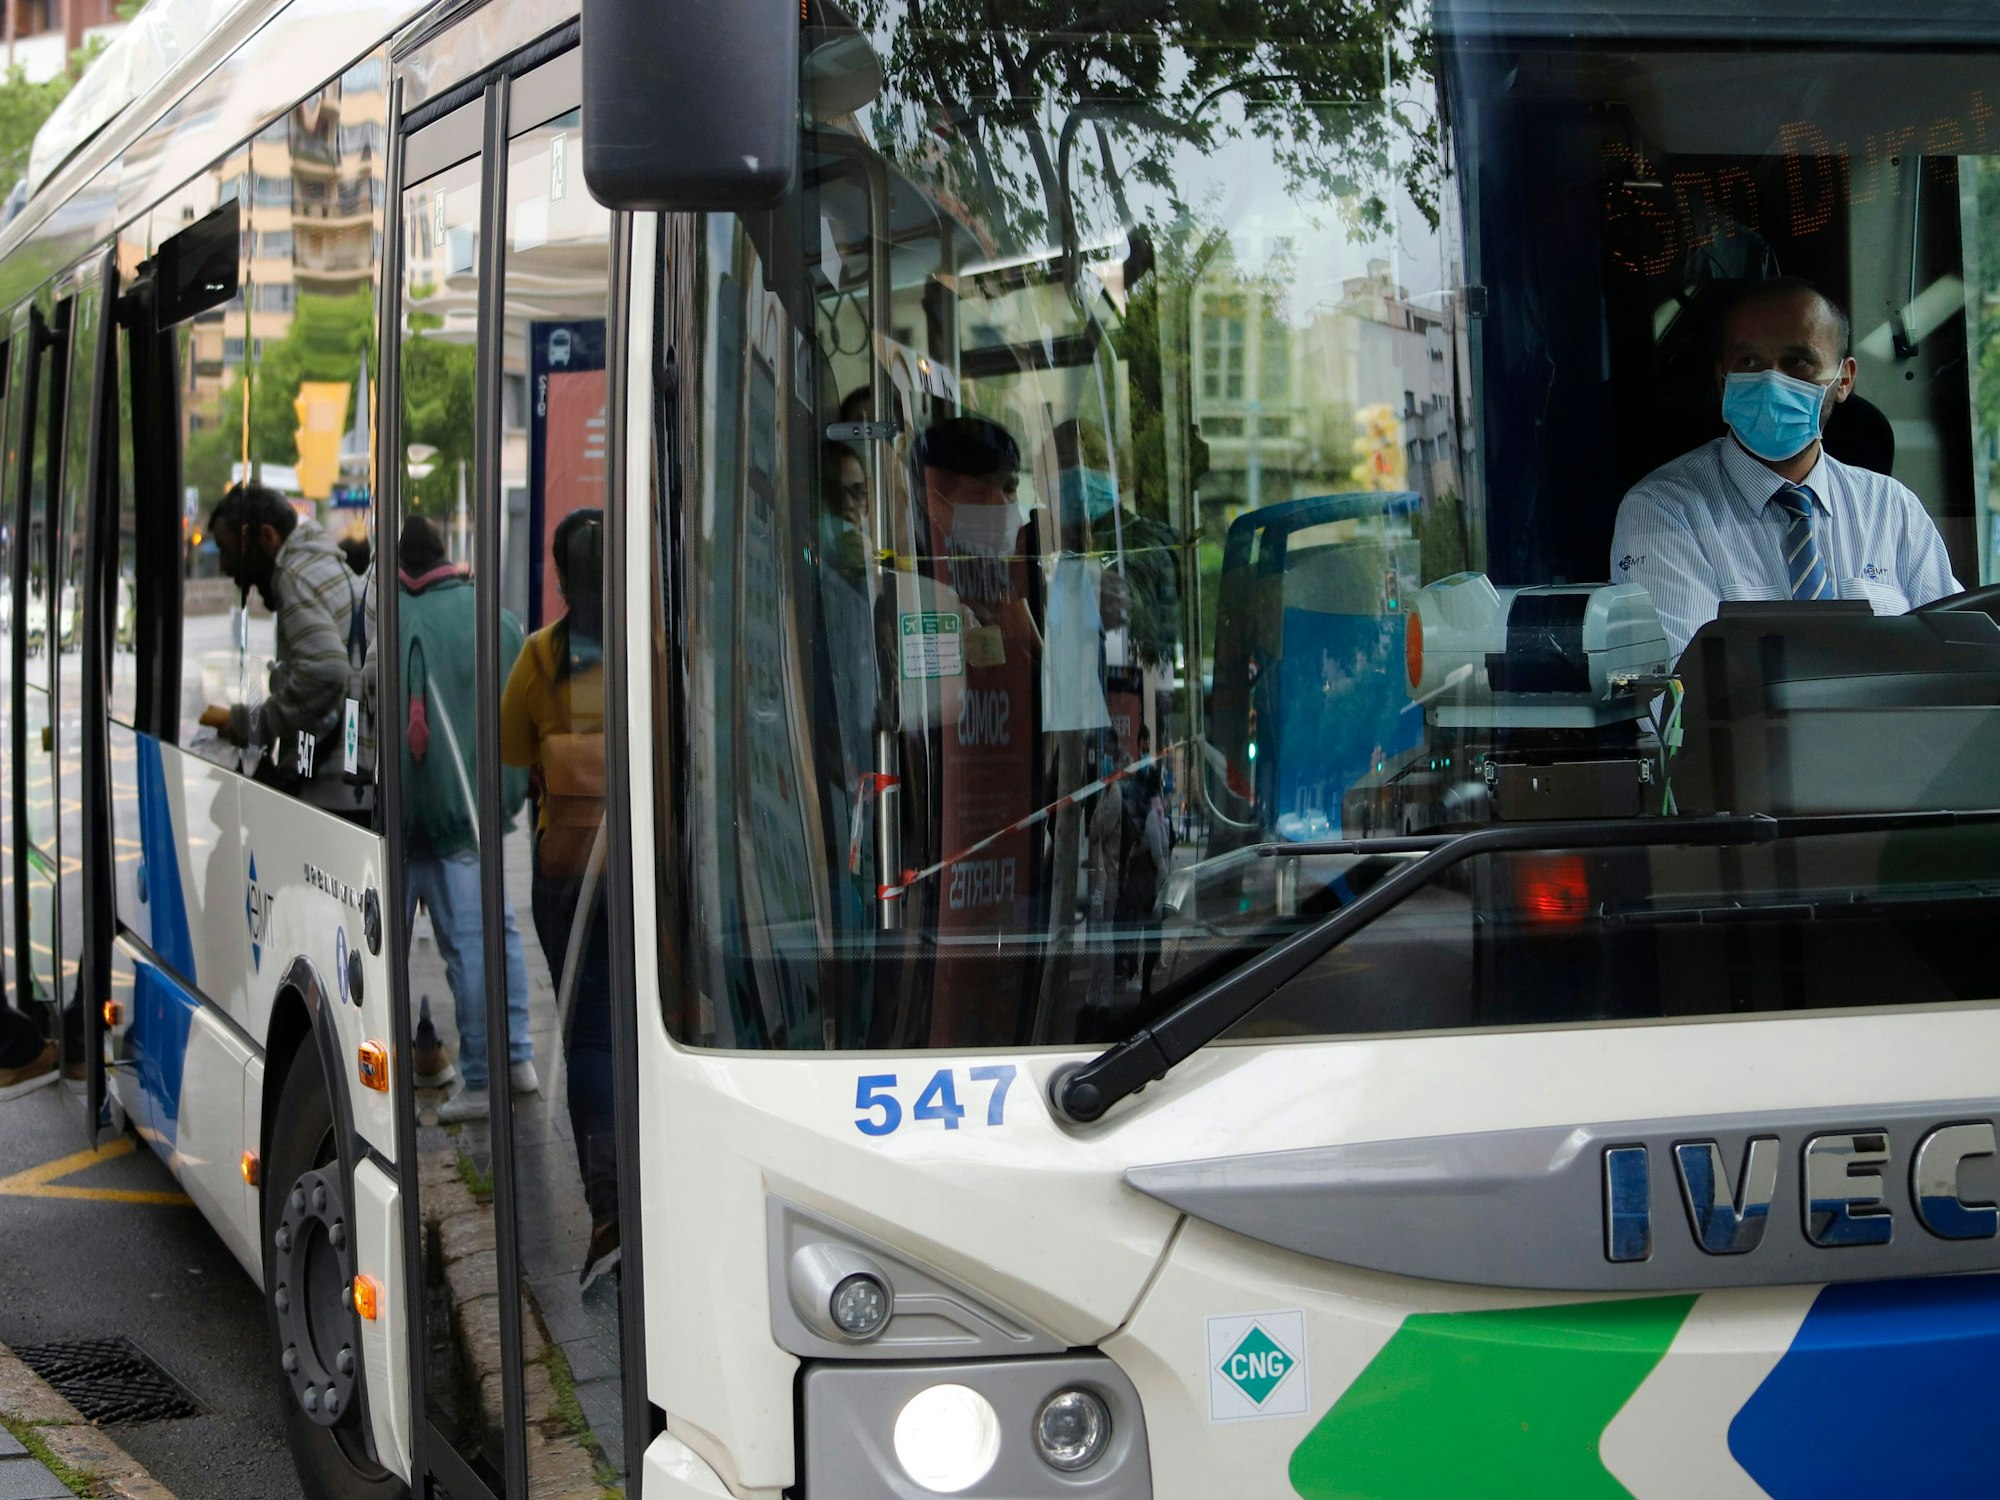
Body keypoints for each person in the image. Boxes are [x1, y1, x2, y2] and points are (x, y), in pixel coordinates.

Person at [1610, 278, 1960, 658]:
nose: (1771, 381)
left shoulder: (1893, 509)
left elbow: (1958, 656)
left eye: (1797, 362)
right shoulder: (1664, 509)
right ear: (1722, 379)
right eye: (1748, 362)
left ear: (1843, 380)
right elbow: (1680, 699)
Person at [501, 507, 618, 1288]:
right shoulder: (657, 640)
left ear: (559, 578)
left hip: (566, 872)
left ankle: (607, 1208)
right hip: (647, 878)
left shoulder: (538, 659)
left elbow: (514, 768)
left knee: (587, 1038)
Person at [396, 515, 538, 1122]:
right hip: (474, 824)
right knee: (489, 940)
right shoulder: (499, 620)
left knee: (384, 958)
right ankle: (513, 1062)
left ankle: (473, 1082)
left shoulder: (390, 620)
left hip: (404, 827)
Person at [199, 483, 365, 811]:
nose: (225, 568)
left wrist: (253, 725)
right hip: (349, 781)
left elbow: (327, 672)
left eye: (228, 551)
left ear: (266, 537)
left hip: (328, 791)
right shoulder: (323, 566)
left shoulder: (294, 576)